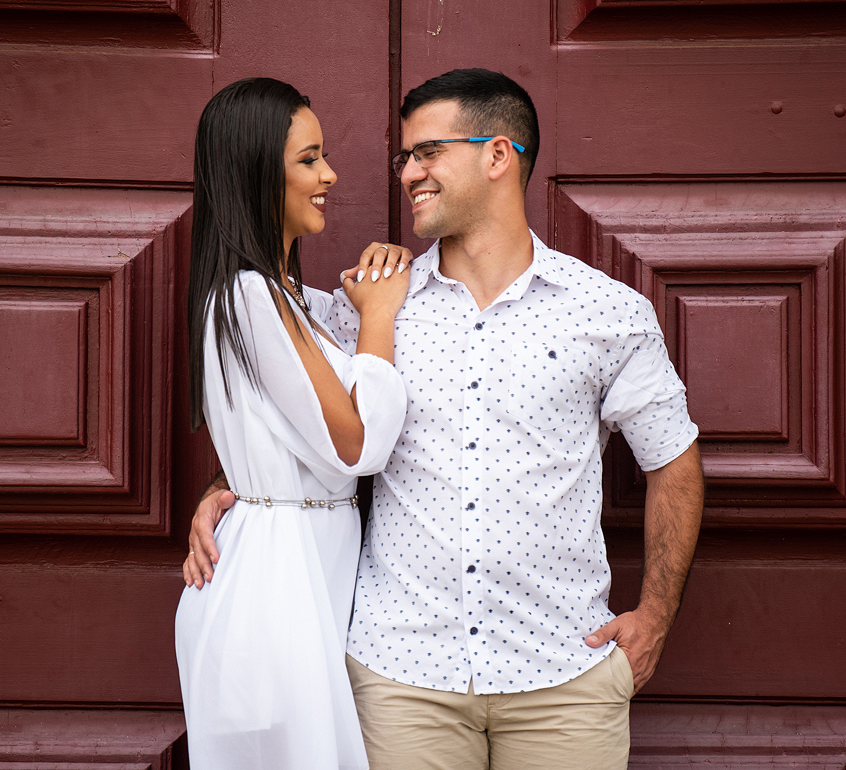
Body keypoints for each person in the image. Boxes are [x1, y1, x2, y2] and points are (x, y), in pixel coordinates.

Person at [184, 68, 704, 770]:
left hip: (563, 674)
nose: (407, 173)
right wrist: (231, 489)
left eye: (428, 152)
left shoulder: (606, 312)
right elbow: (292, 413)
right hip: (401, 678)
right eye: (405, 157)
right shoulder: (372, 306)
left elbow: (673, 460)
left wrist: (656, 617)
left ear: (498, 155)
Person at [174, 77, 414, 770]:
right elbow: (358, 444)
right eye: (308, 159)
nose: (329, 174)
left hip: (303, 567)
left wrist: (225, 485)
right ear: (257, 172)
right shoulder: (250, 294)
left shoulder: (287, 298)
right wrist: (378, 318)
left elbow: (277, 431)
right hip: (274, 588)